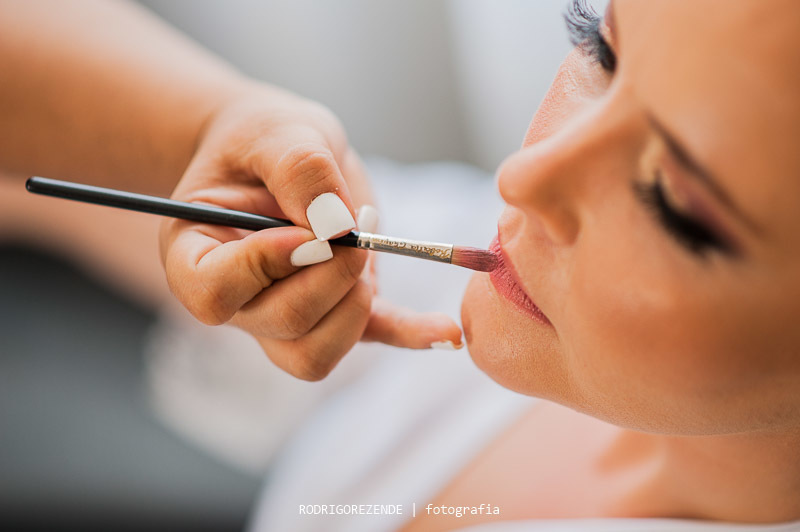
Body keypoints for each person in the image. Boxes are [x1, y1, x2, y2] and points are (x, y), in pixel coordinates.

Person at [2, 0, 799, 531]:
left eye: (673, 203)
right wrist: (209, 124)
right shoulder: (496, 304)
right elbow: (56, 197)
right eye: (602, 52)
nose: (526, 175)